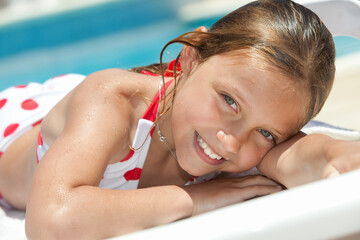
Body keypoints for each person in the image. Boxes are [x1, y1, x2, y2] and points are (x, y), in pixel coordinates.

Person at [0, 0, 359, 238]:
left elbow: (306, 155)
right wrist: (195, 199)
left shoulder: (240, 138)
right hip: (16, 120)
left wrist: (338, 156)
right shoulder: (115, 105)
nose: (230, 142)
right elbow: (51, 221)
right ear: (191, 55)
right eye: (229, 101)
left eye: (266, 132)